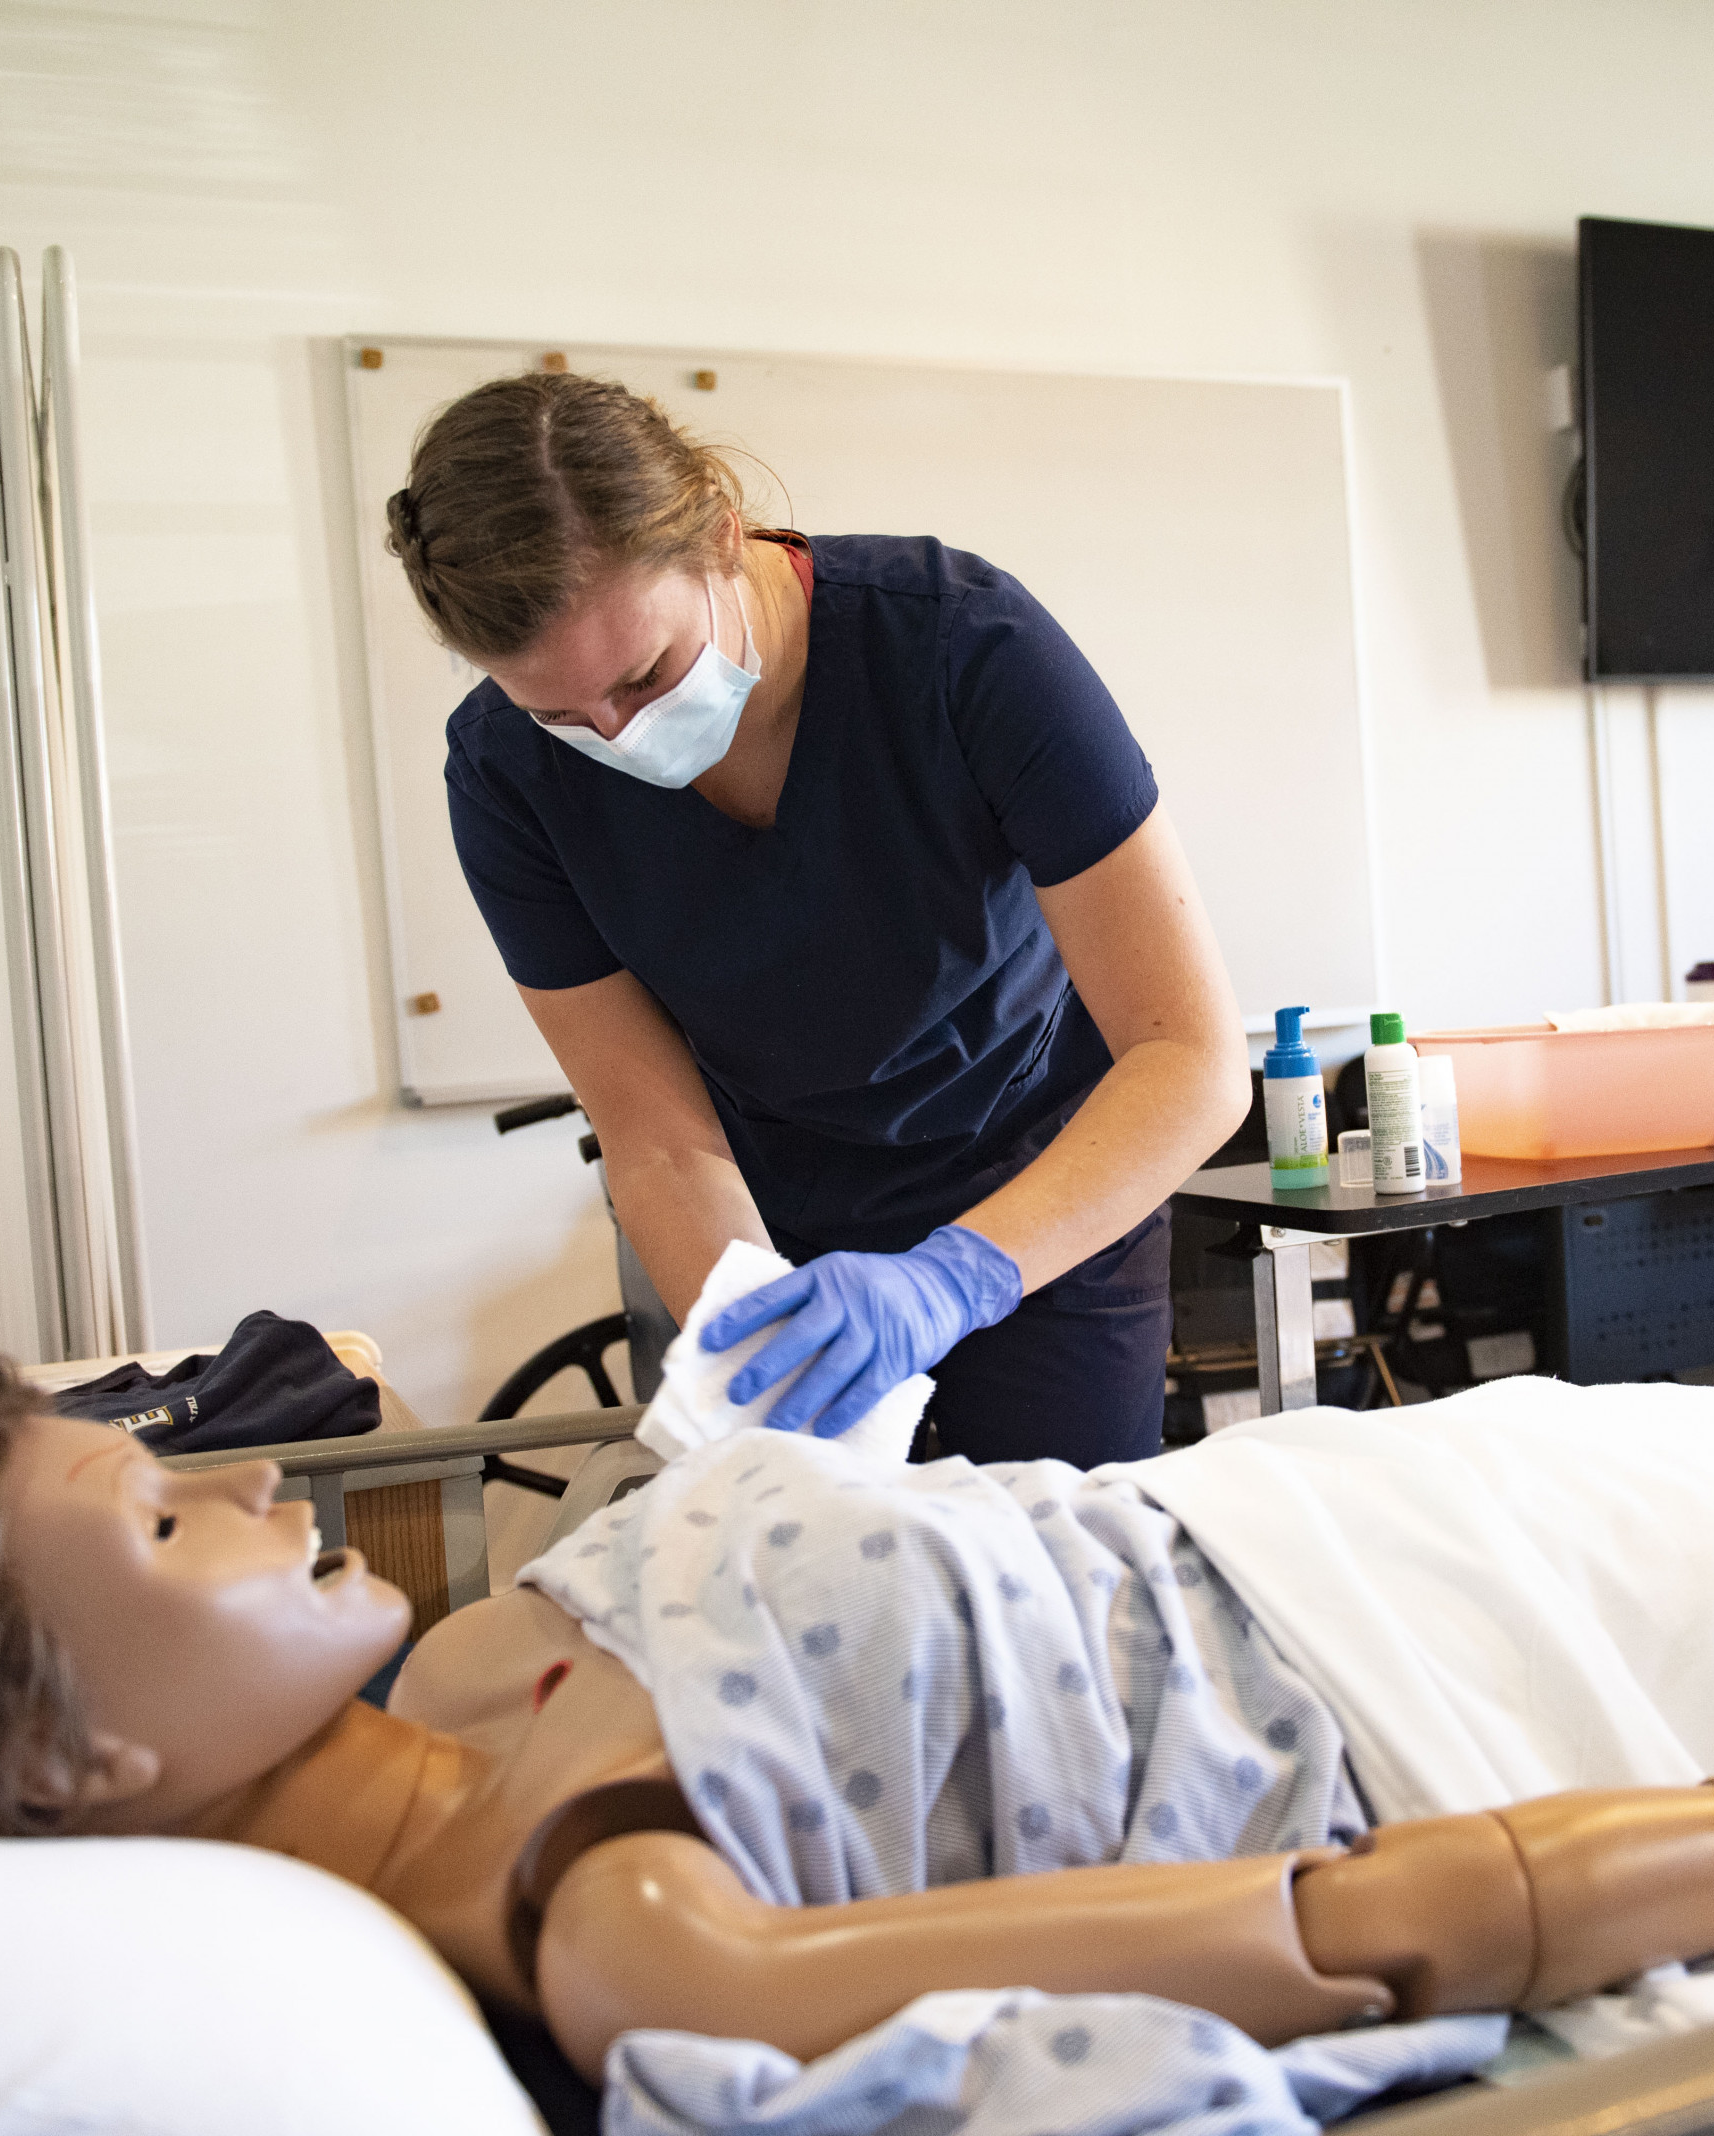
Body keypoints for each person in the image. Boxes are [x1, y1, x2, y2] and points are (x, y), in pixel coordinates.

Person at [0, 1341, 1714, 2078]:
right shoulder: (627, 1938)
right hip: (1459, 1655)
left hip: (1364, 1496)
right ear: (61, 1769)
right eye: (155, 1523)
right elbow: (1385, 1922)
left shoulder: (472, 1659)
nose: (242, 1484)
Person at [393, 372, 1243, 1465]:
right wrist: (764, 1357)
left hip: (1040, 1186)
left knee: (1046, 1577)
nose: (615, 735)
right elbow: (654, 1138)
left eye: (645, 674)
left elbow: (1189, 1056)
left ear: (717, 533)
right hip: (763, 1215)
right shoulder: (506, 776)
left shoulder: (964, 648)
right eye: (561, 715)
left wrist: (958, 1276)